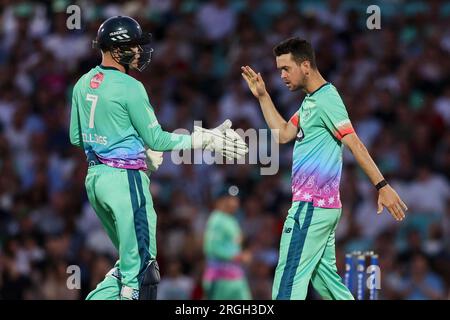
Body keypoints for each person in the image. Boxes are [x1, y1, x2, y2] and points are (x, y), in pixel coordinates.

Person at [69, 16, 247, 300]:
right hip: (126, 181)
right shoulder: (130, 87)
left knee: (129, 264)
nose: (139, 52)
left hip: (96, 181)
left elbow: (77, 138)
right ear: (118, 48)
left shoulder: (82, 83)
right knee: (143, 271)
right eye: (135, 45)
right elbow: (159, 140)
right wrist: (204, 138)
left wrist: (126, 146)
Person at [241, 37, 408, 300]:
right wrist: (263, 96)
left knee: (288, 283)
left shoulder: (326, 99)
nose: (282, 76)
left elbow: (355, 144)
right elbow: (284, 134)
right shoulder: (311, 101)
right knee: (328, 284)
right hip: (323, 208)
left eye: (286, 68)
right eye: (279, 70)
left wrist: (382, 186)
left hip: (311, 207)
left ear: (305, 65)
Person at [202, 186, 252, 300]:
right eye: (231, 199)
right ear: (220, 201)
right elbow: (211, 248)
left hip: (235, 276)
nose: (236, 203)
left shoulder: (231, 219)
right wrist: (239, 257)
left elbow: (234, 245)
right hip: (221, 278)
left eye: (236, 199)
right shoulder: (216, 219)